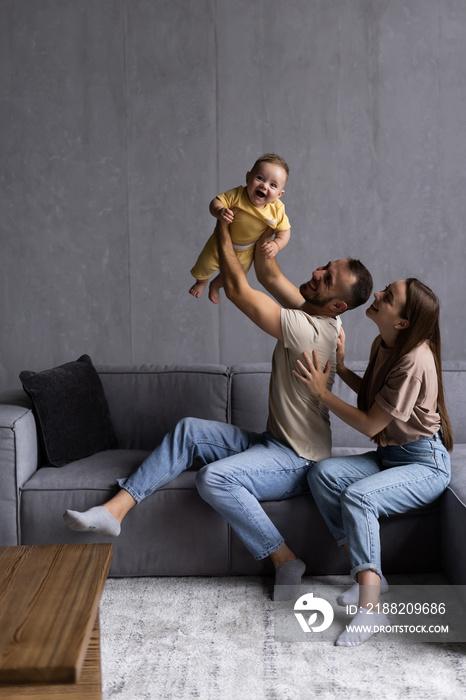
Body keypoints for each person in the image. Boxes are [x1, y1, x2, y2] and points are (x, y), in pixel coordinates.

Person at [64, 219, 373, 597]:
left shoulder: (310, 330)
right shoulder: (322, 313)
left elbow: (241, 292)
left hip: (298, 458)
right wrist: (259, 220)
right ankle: (114, 512)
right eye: (325, 265)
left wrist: (224, 230)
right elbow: (269, 274)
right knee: (190, 430)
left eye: (327, 278)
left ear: (338, 304)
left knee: (213, 478)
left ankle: (284, 558)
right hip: (274, 443)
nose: (317, 272)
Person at [293, 278, 453, 645]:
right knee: (323, 474)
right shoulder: (385, 343)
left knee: (359, 497)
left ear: (402, 322)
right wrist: (343, 367)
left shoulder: (415, 359)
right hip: (391, 456)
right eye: (385, 289)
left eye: (389, 297)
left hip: (424, 464)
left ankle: (370, 608)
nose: (378, 295)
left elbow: (368, 423)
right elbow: (373, 399)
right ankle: (374, 575)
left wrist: (321, 392)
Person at [189, 153, 291, 303]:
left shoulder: (277, 210)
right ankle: (201, 282)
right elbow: (216, 202)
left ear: (279, 194)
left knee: (234, 277)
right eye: (260, 178)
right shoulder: (237, 195)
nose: (264, 185)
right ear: (248, 177)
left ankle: (216, 285)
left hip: (245, 251)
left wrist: (277, 244)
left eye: (273, 185)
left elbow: (285, 231)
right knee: (204, 265)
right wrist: (219, 211)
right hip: (218, 243)